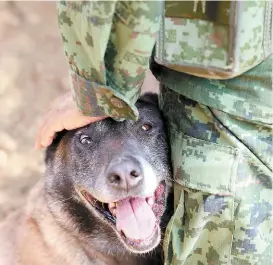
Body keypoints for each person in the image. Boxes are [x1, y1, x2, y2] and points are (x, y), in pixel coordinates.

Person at [35, 1, 273, 264]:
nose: (124, 171)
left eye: (146, 128)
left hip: (224, 73)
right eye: (86, 140)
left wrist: (99, 89)